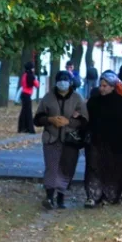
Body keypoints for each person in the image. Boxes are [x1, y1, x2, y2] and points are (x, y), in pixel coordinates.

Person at [33, 70, 88, 210]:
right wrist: (50, 119)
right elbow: (37, 119)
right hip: (51, 138)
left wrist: (69, 122)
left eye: (65, 80)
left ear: (70, 82)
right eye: (60, 79)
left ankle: (61, 197)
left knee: (66, 168)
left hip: (70, 140)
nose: (62, 82)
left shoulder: (77, 98)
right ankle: (49, 197)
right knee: (51, 167)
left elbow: (84, 120)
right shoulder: (48, 98)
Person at [84, 72, 122, 207]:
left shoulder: (121, 103)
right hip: (96, 141)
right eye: (101, 85)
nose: (102, 88)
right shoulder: (94, 101)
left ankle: (110, 196)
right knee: (94, 168)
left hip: (115, 144)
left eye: (105, 86)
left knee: (113, 170)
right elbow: (86, 120)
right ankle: (93, 196)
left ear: (112, 87)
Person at [18, 62, 40, 133]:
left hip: (24, 94)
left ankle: (22, 128)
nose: (34, 69)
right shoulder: (31, 76)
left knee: (24, 112)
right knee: (28, 112)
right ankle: (30, 129)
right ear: (31, 69)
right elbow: (37, 85)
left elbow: (22, 83)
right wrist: (36, 79)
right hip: (27, 95)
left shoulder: (24, 75)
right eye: (33, 68)